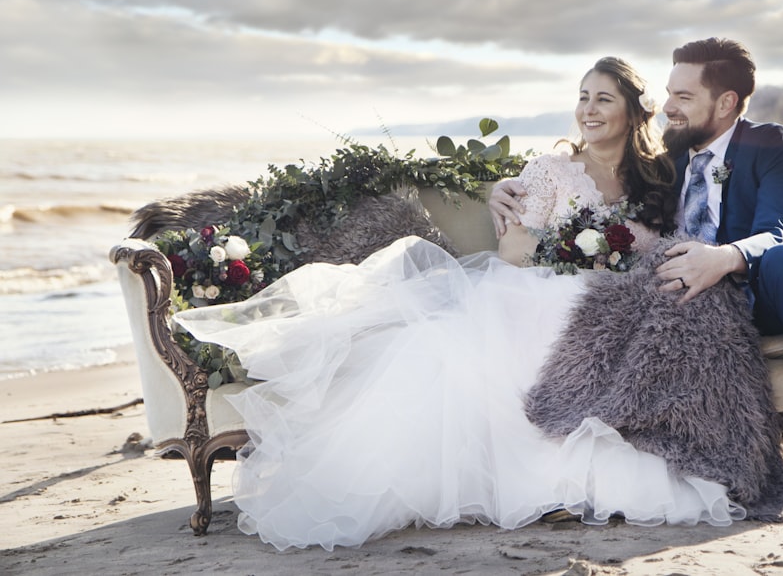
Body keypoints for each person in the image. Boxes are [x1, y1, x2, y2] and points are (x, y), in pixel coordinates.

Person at [173, 57, 753, 552]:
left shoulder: (659, 175)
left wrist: (620, 263)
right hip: (541, 283)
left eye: (604, 98)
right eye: (582, 98)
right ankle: (547, 479)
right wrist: (579, 254)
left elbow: (672, 239)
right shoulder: (550, 170)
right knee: (543, 315)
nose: (589, 109)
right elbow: (516, 252)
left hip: (617, 295)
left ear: (633, 110)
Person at [491, 38, 783, 510]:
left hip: (764, 293)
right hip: (685, 302)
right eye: (668, 93)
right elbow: (600, 186)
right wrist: (503, 187)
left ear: (726, 102)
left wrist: (723, 259)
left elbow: (779, 231)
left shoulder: (770, 144)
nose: (668, 107)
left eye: (683, 97)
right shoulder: (662, 160)